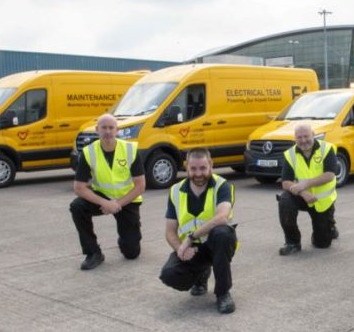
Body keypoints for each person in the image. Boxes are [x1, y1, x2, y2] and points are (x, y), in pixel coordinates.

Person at [159, 148, 238, 314]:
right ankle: (201, 274)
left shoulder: (222, 186)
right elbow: (170, 231)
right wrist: (180, 249)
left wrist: (190, 237)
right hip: (193, 250)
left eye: (203, 168)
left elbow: (222, 217)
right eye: (193, 169)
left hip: (217, 244)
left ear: (211, 165)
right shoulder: (175, 191)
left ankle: (223, 293)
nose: (198, 173)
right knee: (169, 275)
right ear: (187, 167)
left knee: (221, 233)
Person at [70, 113, 146, 270]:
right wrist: (105, 202)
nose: (107, 131)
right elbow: (79, 187)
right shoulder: (88, 152)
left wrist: (117, 204)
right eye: (103, 127)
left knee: (131, 253)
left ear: (117, 130)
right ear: (97, 130)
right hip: (102, 197)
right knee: (77, 206)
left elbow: (140, 186)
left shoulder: (130, 149)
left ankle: (127, 236)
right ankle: (93, 253)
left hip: (127, 200)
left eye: (111, 128)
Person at [277, 123, 339, 256]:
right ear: (295, 138)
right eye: (299, 137)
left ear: (313, 134)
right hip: (302, 197)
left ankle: (330, 225)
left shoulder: (327, 149)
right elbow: (286, 182)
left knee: (322, 244)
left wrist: (304, 185)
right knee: (285, 200)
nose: (303, 140)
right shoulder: (290, 154)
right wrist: (303, 192)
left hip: (322, 201)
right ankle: (292, 242)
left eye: (306, 136)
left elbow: (330, 175)